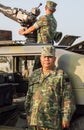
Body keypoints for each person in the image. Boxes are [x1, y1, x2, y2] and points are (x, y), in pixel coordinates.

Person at [25, 46, 76, 130]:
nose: (46, 59)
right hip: (34, 121)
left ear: (54, 59)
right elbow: (29, 95)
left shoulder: (61, 75)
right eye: (44, 57)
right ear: (41, 58)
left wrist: (66, 118)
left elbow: (68, 98)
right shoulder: (35, 74)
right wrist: (27, 113)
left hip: (51, 121)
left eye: (49, 57)